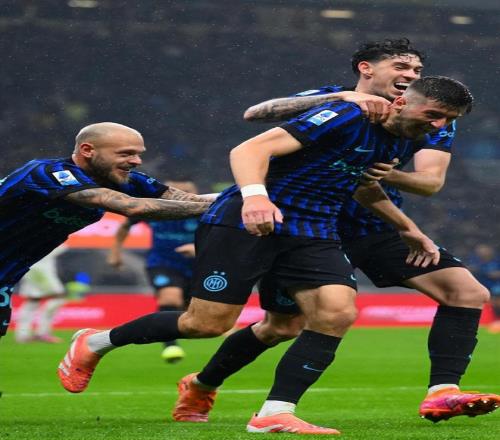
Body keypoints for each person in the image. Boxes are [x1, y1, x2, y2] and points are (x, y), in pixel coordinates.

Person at [59, 75, 472, 435]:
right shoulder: (348, 115)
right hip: (245, 220)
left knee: (336, 311)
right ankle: (95, 341)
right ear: (401, 100)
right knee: (205, 325)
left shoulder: (404, 139)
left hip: (313, 229)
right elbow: (249, 150)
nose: (439, 125)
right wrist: (256, 197)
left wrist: (407, 228)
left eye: (448, 121)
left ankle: (275, 413)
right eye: (434, 114)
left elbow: (362, 185)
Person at [172, 39, 499, 427]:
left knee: (466, 291)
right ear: (367, 68)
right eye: (401, 67)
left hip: (368, 224)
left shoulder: (431, 115)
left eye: (417, 70)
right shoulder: (334, 103)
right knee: (281, 327)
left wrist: (389, 181)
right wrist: (345, 99)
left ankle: (442, 391)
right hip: (302, 223)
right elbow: (254, 119)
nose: (411, 74)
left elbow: (429, 182)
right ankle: (203, 384)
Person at [0, 122, 212, 340]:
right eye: (126, 154)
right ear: (87, 150)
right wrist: (219, 209)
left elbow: (191, 200)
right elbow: (133, 207)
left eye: (138, 154)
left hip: (5, 275)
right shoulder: (48, 173)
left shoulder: (123, 180)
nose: (137, 161)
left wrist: (236, 197)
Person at [108, 179, 199, 363]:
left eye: (186, 191)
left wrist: (199, 248)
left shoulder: (204, 212)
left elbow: (221, 238)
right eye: (176, 191)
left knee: (192, 312)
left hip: (197, 265)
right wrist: (115, 253)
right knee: (170, 298)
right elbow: (125, 226)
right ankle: (170, 345)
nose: (181, 195)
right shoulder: (153, 209)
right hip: (162, 263)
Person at [15, 245, 68, 343]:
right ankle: (42, 333)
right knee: (58, 297)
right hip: (41, 270)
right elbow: (61, 247)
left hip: (30, 268)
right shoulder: (50, 237)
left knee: (33, 301)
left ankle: (23, 335)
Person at [466, 244, 500, 333]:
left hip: (494, 286)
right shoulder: (474, 261)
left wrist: (496, 274)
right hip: (480, 285)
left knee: (495, 301)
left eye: (484, 250)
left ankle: (496, 320)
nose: (482, 252)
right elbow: (467, 269)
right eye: (480, 250)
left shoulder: (496, 261)